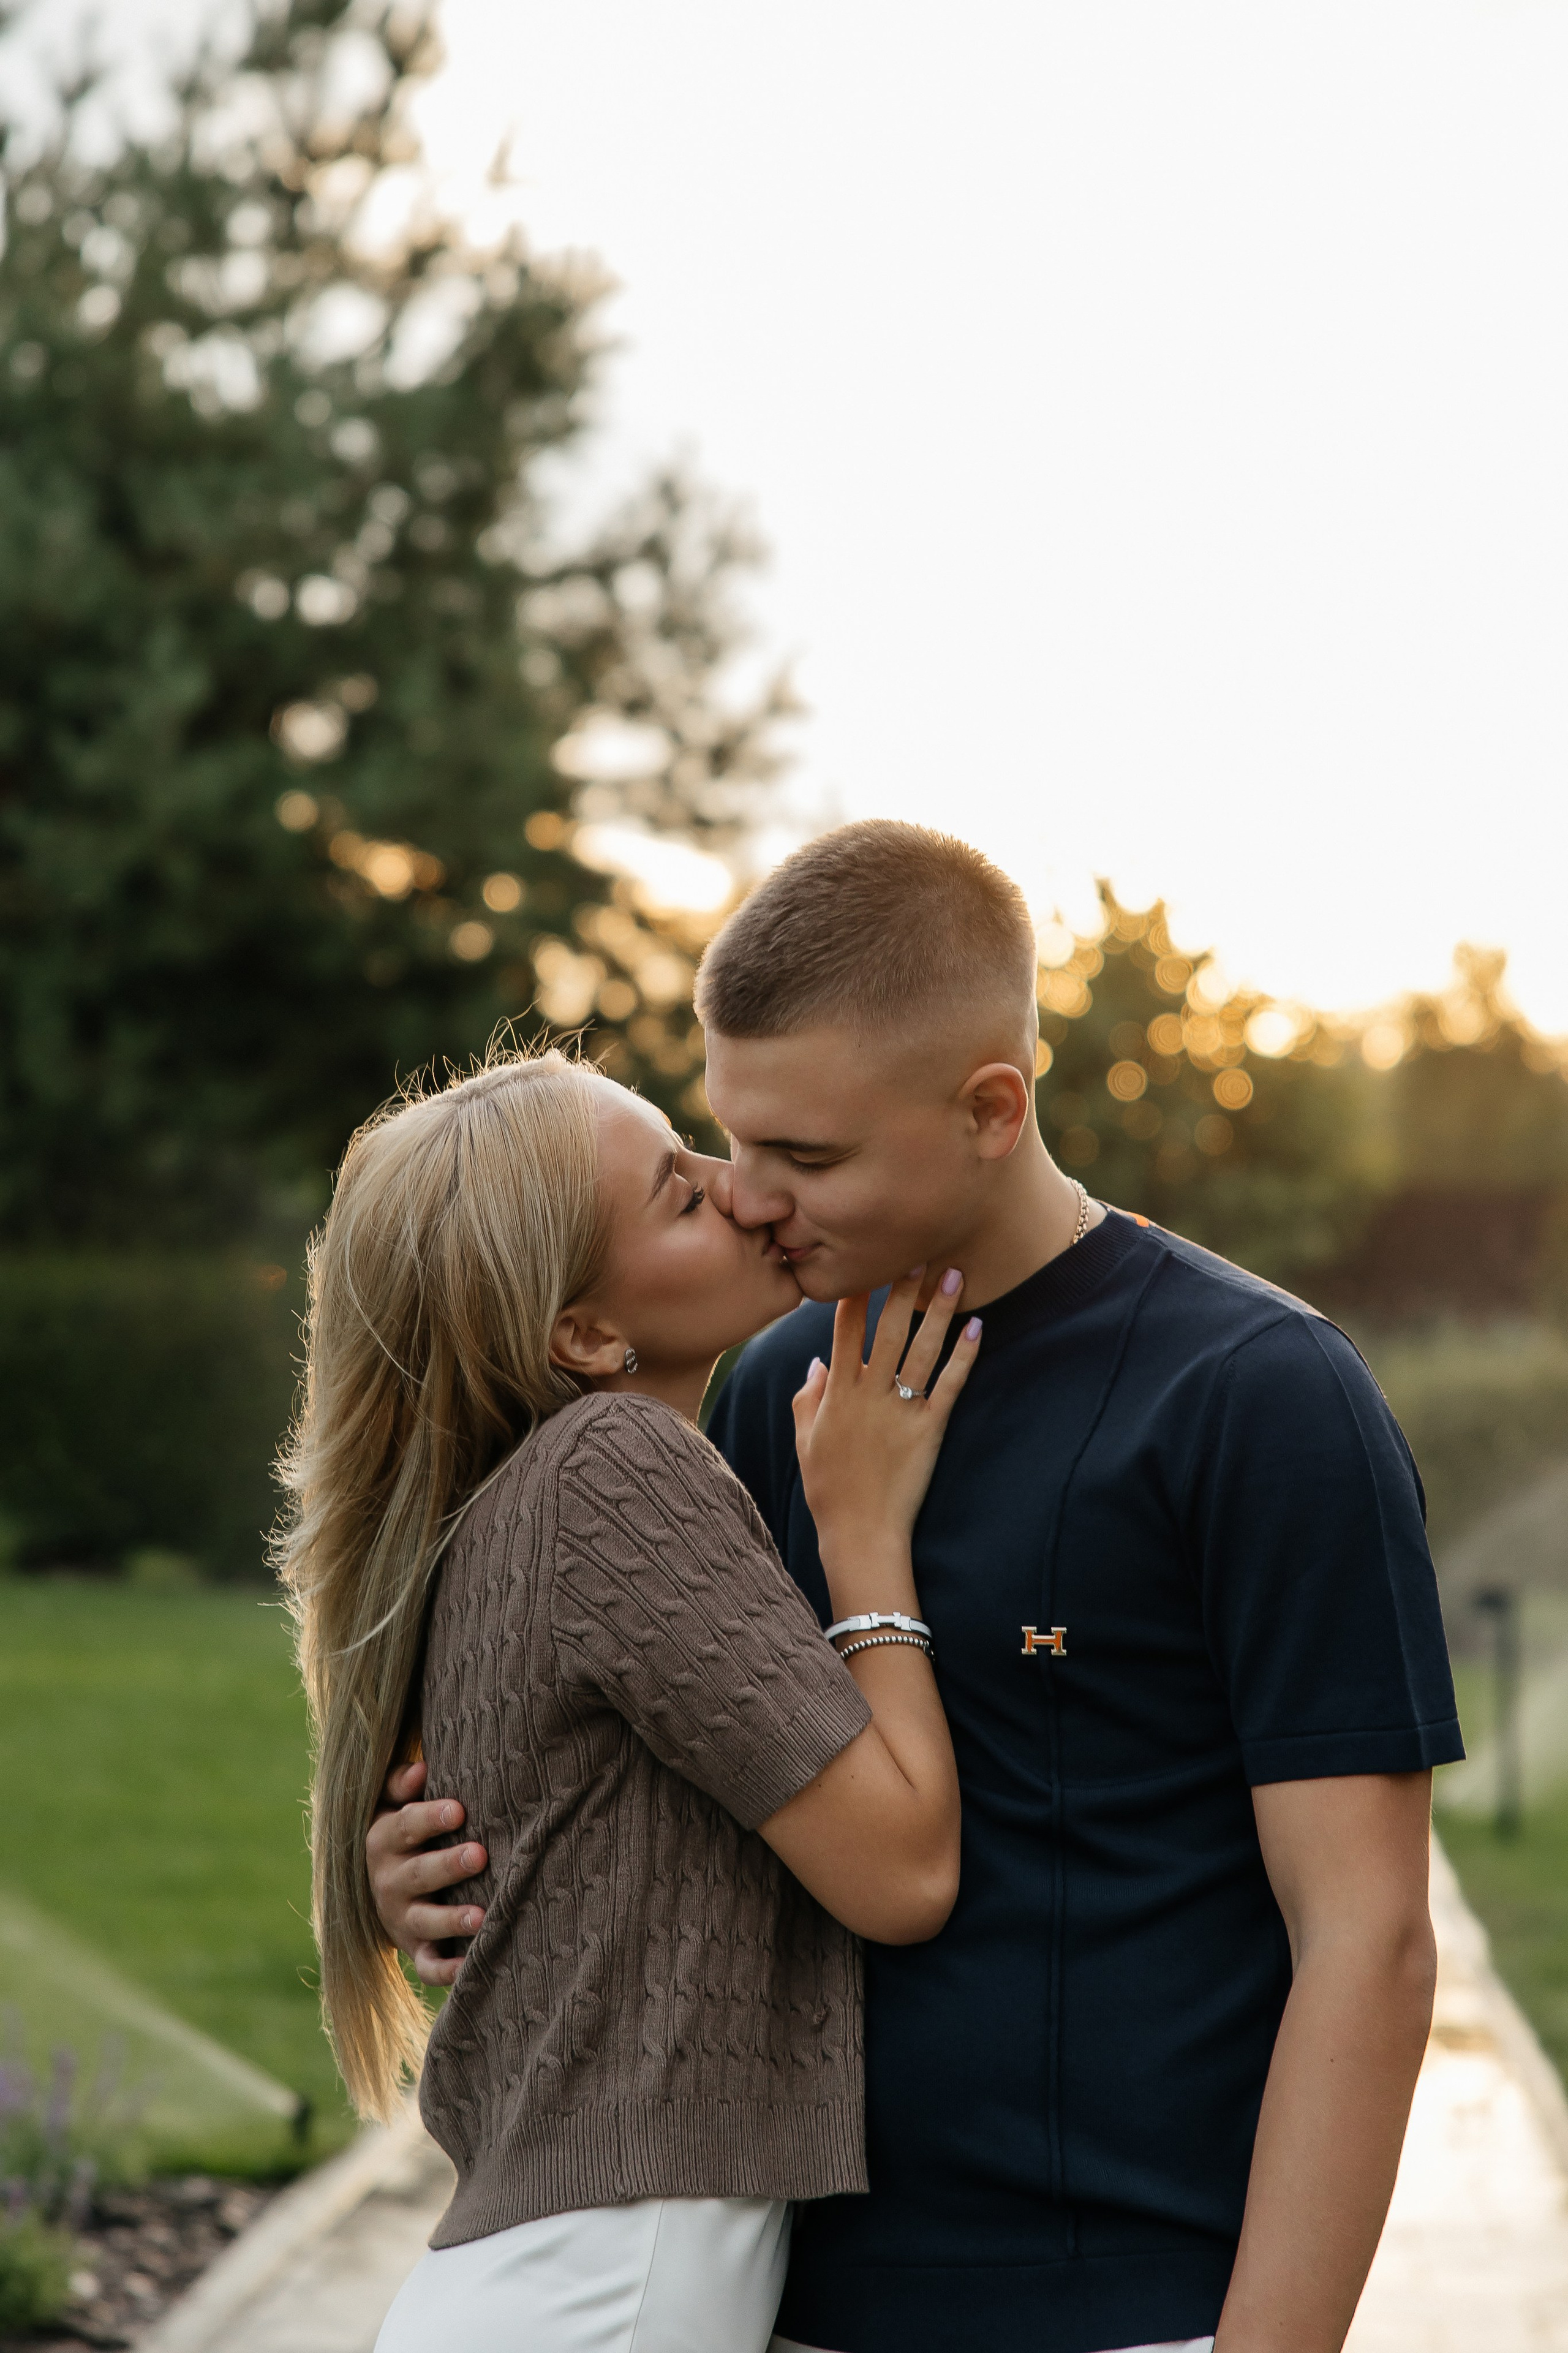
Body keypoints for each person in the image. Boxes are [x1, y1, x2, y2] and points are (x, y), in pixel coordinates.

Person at [370, 821, 1463, 2353]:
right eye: (729, 1142)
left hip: (1128, 2309)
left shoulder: (1256, 1398)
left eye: (805, 1158)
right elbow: (695, 1782)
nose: (751, 1199)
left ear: (989, 1109)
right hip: (773, 2296)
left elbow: (1368, 1937)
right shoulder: (766, 1397)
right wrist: (449, 1873)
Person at [276, 1046, 984, 2353]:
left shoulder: (516, 1508)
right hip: (605, 2293)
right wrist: (865, 1530)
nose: (741, 1189)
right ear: (585, 1334)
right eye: (677, 1192)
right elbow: (901, 1870)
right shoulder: (615, 1469)